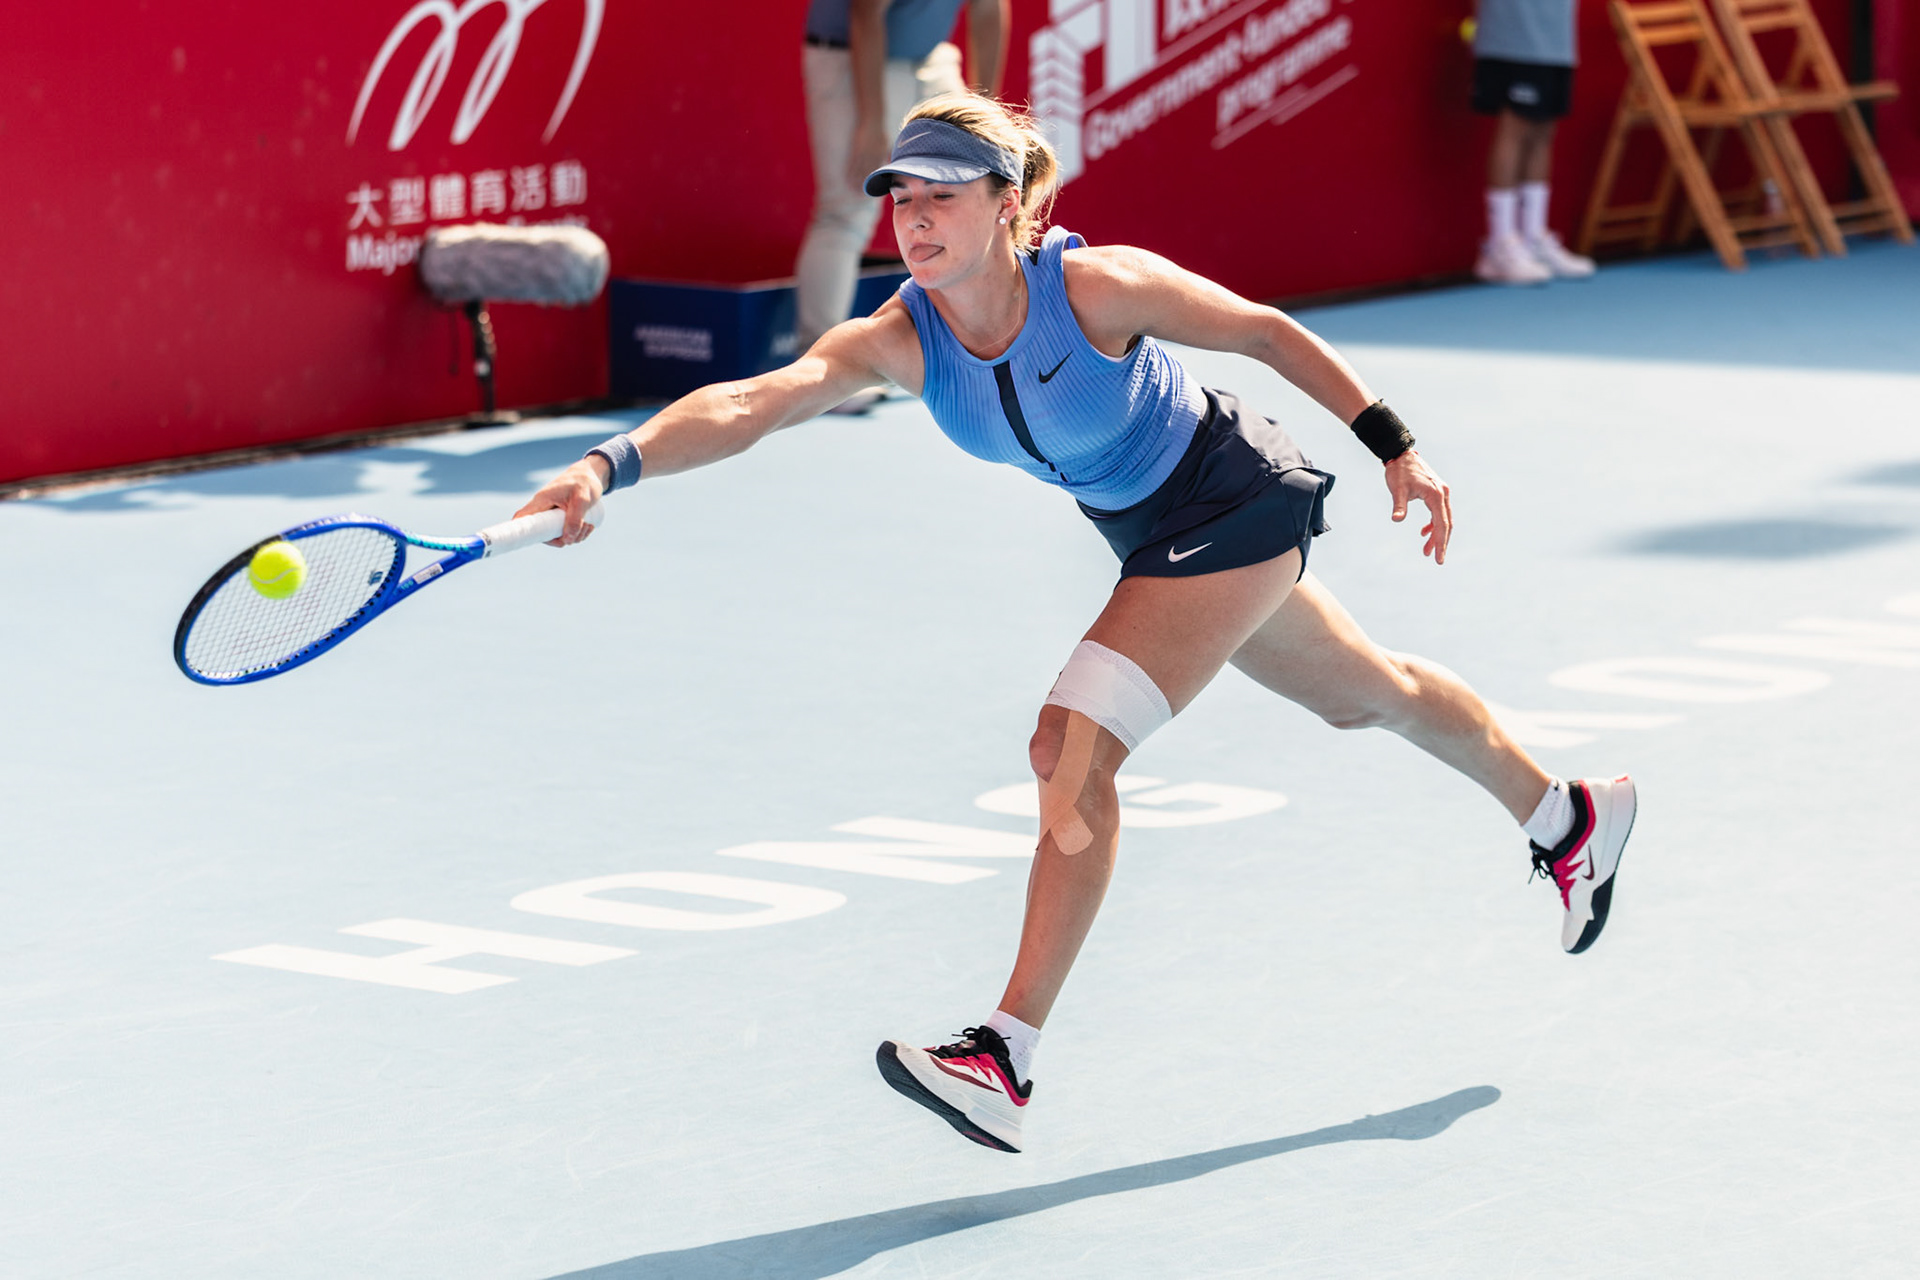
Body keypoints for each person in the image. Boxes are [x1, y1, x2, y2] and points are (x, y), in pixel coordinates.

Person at [517, 95, 1637, 1154]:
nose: (914, 218)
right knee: (1367, 693)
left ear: (1008, 205)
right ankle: (1568, 813)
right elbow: (754, 401)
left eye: (942, 196)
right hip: (1151, 536)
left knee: (1071, 741)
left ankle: (1004, 1052)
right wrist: (607, 463)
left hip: (1235, 494)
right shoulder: (899, 339)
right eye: (902, 197)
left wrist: (1395, 444)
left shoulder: (1095, 287)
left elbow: (1260, 329)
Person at [796, 0, 1010, 392]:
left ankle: (981, 353)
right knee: (844, 214)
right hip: (851, 61)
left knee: (976, 203)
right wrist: (872, 122)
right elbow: (865, 12)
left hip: (931, 60)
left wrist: (985, 113)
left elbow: (987, 10)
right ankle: (820, 376)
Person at [1470, 0, 1597, 284]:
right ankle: (1500, 244)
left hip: (1557, 37)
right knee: (1515, 126)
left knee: (1543, 130)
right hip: (1514, 34)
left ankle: (1532, 238)